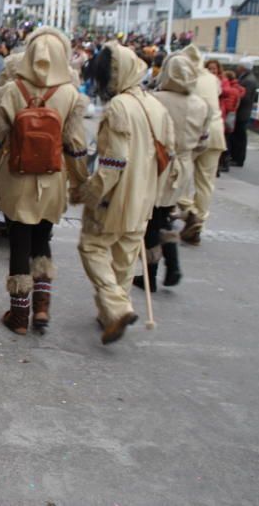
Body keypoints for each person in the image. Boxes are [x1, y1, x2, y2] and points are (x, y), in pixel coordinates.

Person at [0, 28, 89, 334]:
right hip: (53, 180)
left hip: (16, 178)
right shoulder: (70, 95)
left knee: (18, 241)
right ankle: (42, 308)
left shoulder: (12, 91)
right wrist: (81, 182)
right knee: (43, 238)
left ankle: (18, 316)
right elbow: (76, 146)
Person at [76, 42, 173, 345]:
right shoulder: (156, 105)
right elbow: (170, 155)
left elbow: (112, 163)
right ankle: (110, 313)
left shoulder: (119, 107)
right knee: (123, 257)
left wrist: (91, 193)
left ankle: (116, 307)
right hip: (144, 196)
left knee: (92, 247)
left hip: (116, 197)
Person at [134, 51, 211, 291]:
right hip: (183, 165)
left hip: (157, 163)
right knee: (165, 215)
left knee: (151, 219)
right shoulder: (201, 104)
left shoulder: (154, 98)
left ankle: (151, 272)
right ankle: (172, 265)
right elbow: (203, 142)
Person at [177, 45, 228, 245]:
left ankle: (191, 213)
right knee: (205, 183)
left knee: (179, 177)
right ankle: (199, 222)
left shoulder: (187, 78)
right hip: (216, 131)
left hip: (194, 132)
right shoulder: (212, 79)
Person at [229, 56, 258, 167]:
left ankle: (238, 158)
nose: (237, 68)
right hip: (242, 112)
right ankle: (236, 157)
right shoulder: (246, 78)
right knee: (238, 136)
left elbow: (245, 97)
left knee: (240, 136)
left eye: (239, 66)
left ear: (243, 68)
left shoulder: (248, 80)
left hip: (242, 112)